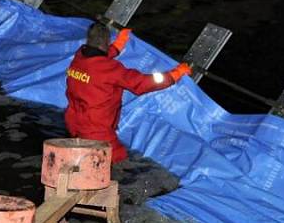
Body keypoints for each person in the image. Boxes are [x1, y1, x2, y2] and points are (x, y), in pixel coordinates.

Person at [64, 22, 192, 163]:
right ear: (107, 41)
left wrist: (119, 44)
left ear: (88, 40)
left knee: (86, 161)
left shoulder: (80, 56)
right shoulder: (111, 69)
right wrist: (175, 74)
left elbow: (99, 58)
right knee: (118, 161)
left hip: (74, 123)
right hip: (97, 131)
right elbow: (143, 83)